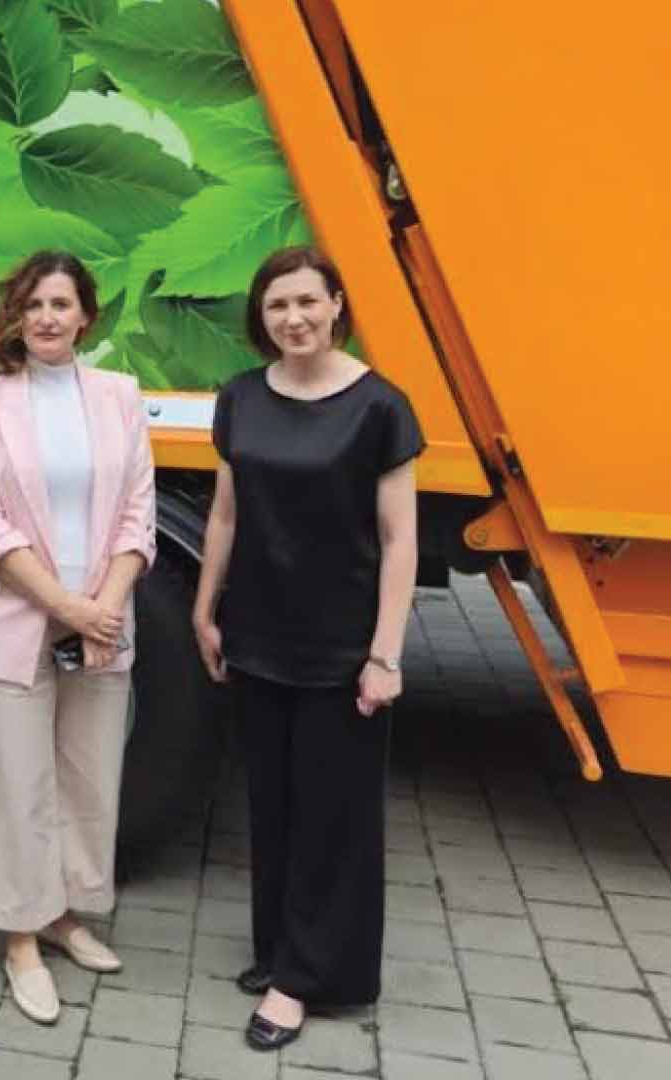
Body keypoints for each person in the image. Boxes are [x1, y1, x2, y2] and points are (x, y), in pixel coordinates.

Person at [191, 246, 422, 1050]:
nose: (293, 319)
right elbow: (226, 514)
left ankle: (305, 980)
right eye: (277, 306)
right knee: (274, 807)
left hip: (340, 648)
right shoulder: (241, 397)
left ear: (336, 304)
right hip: (257, 634)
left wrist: (385, 655)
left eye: (306, 302)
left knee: (333, 816)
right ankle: (280, 950)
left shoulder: (379, 407)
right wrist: (204, 609)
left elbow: (399, 541)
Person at [0, 251, 157, 1025]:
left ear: (85, 317)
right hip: (11, 619)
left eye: (61, 304)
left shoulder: (119, 396)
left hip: (101, 618)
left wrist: (104, 607)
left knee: (85, 776)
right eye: (33, 304)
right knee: (13, 782)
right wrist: (69, 607)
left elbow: (138, 513)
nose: (46, 318)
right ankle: (19, 936)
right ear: (16, 315)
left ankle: (63, 912)